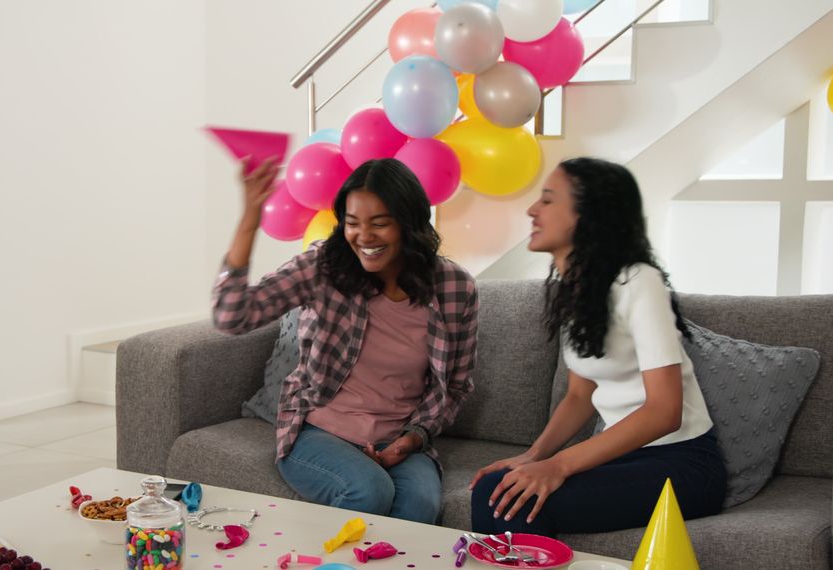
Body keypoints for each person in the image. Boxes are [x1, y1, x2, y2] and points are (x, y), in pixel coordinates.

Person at [213, 157, 478, 523]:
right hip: (318, 431)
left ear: (409, 223)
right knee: (370, 490)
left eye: (379, 223)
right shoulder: (324, 267)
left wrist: (415, 437)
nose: (363, 237)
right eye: (352, 223)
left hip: (399, 437)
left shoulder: (454, 287)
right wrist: (250, 219)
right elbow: (232, 316)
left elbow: (456, 386)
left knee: (420, 507)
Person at [470, 157, 725, 535]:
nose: (532, 210)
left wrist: (559, 465)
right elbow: (579, 395)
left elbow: (664, 411)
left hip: (683, 464)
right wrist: (533, 456)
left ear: (586, 215)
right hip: (624, 456)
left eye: (548, 200)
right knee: (502, 487)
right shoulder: (580, 292)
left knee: (504, 498)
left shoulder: (639, 281)